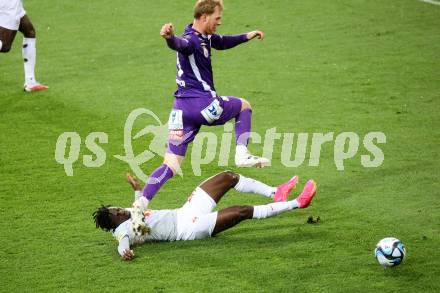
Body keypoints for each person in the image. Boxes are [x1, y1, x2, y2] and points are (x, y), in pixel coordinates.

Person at [136, 0, 269, 211]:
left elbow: (222, 41)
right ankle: (242, 153)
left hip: (180, 112)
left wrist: (247, 35)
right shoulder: (191, 40)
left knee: (170, 164)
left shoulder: (201, 35)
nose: (219, 22)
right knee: (244, 105)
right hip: (204, 105)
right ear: (204, 17)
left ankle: (140, 204)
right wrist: (169, 38)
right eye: (217, 18)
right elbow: (179, 45)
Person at [93, 172, 317, 261]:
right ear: (113, 222)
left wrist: (137, 188)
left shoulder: (126, 214)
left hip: (185, 211)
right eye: (116, 213)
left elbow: (136, 208)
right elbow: (122, 245)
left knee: (228, 177)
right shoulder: (122, 232)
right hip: (188, 229)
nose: (121, 211)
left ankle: (275, 192)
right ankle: (298, 203)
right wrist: (126, 253)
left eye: (117, 208)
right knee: (242, 211)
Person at [0, 0, 48, 92]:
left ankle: (30, 81)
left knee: (29, 31)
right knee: (5, 46)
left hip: (13, 4)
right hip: (8, 4)